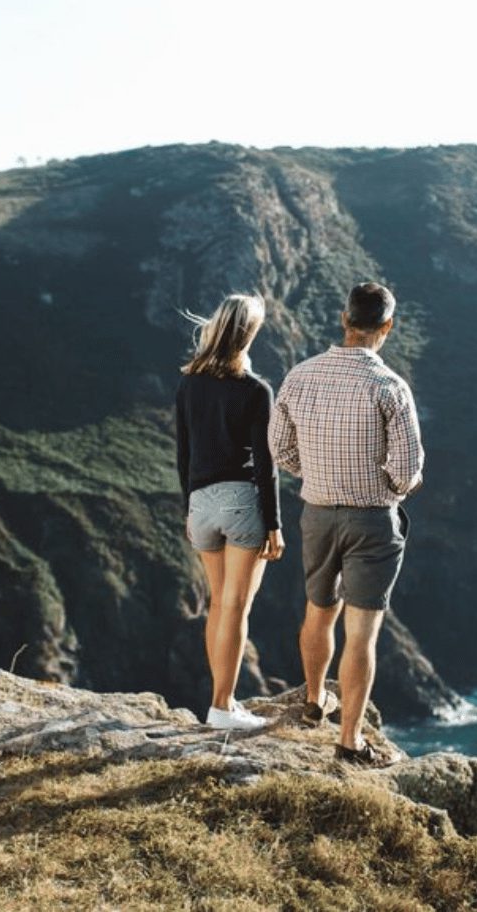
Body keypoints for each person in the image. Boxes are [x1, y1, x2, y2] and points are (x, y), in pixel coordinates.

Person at [269, 282, 424, 765]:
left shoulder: (299, 376)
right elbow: (406, 472)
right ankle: (350, 741)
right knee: (362, 632)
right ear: (387, 327)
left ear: (344, 318)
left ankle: (315, 701)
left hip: (315, 513)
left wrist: (315, 472)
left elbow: (280, 450)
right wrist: (397, 489)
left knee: (318, 610)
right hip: (372, 520)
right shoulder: (390, 388)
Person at [176, 293, 285, 731]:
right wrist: (274, 523)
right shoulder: (256, 391)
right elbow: (265, 463)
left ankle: (221, 702)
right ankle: (223, 708)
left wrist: (190, 508)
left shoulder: (188, 384)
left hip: (200, 505)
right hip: (241, 503)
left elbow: (183, 454)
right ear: (248, 334)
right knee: (236, 607)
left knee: (218, 606)